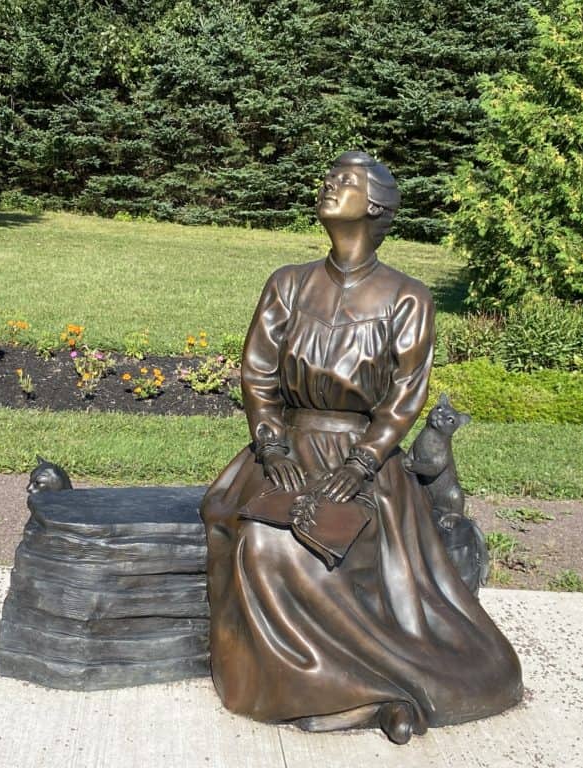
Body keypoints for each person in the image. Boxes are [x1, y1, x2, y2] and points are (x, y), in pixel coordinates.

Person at [200, 151, 523, 744]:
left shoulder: (407, 298)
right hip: (289, 451)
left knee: (333, 547)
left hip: (363, 461)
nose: (328, 185)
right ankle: (338, 696)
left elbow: (405, 394)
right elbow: (258, 373)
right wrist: (272, 447)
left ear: (375, 207)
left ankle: (379, 690)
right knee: (263, 540)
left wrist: (364, 460)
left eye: (344, 182)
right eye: (329, 177)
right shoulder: (288, 284)